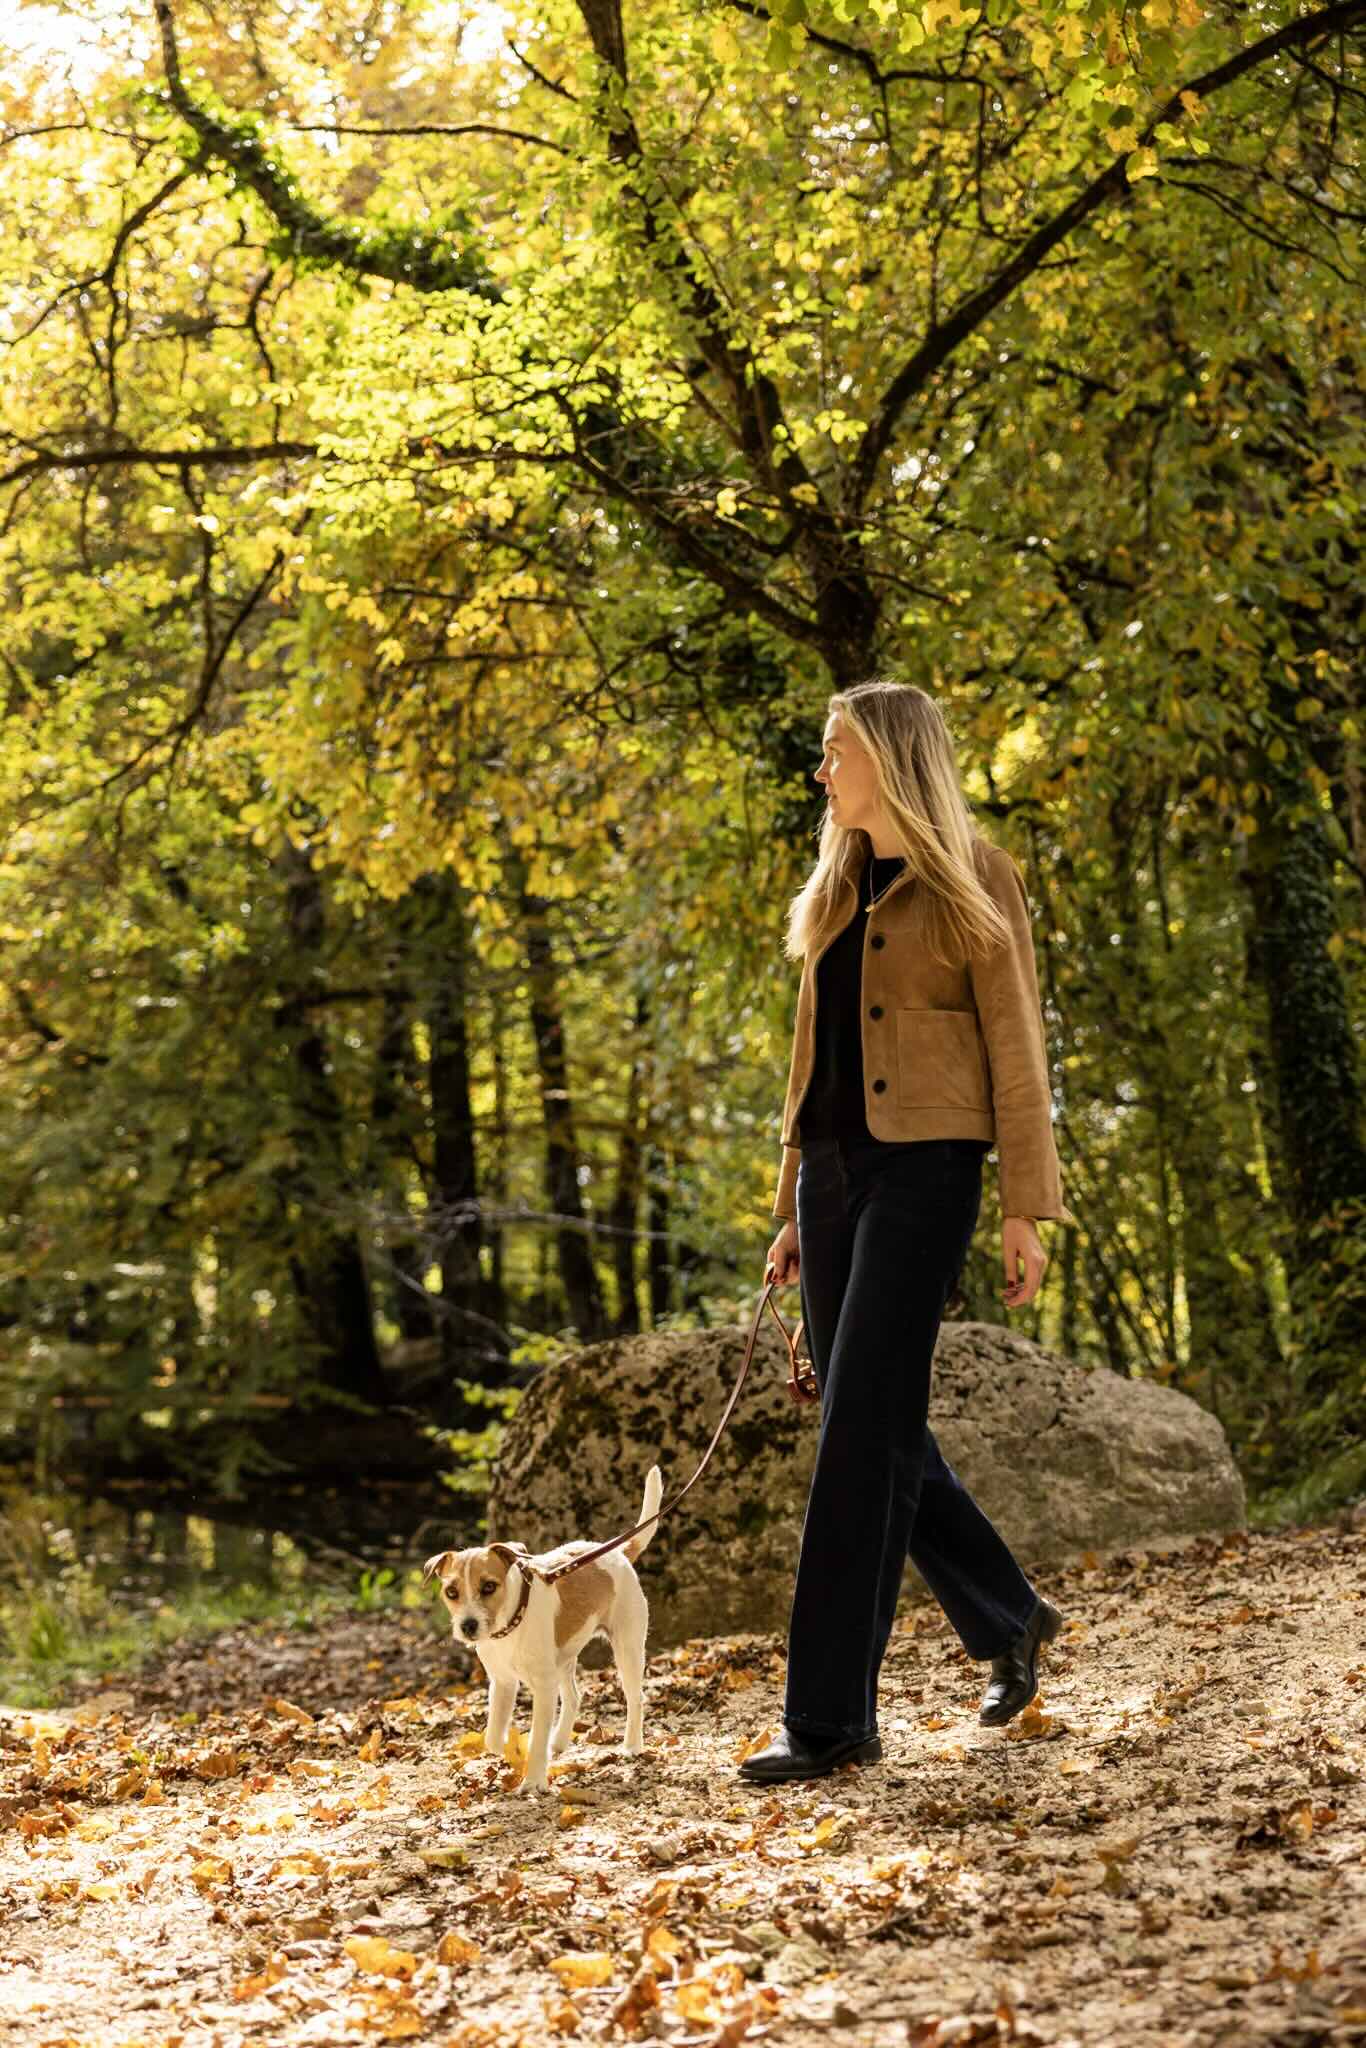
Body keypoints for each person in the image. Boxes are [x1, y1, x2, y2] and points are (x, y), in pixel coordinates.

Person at [739, 679, 1080, 1786]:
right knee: (871, 1419)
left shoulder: (978, 874)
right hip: (832, 1178)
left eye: (834, 750)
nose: (821, 770)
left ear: (887, 757)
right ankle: (1008, 1613)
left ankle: (828, 1716)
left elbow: (1016, 1045)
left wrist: (1025, 1206)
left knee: (858, 1433)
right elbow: (809, 1064)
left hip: (927, 1172)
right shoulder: (834, 886)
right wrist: (791, 1204)